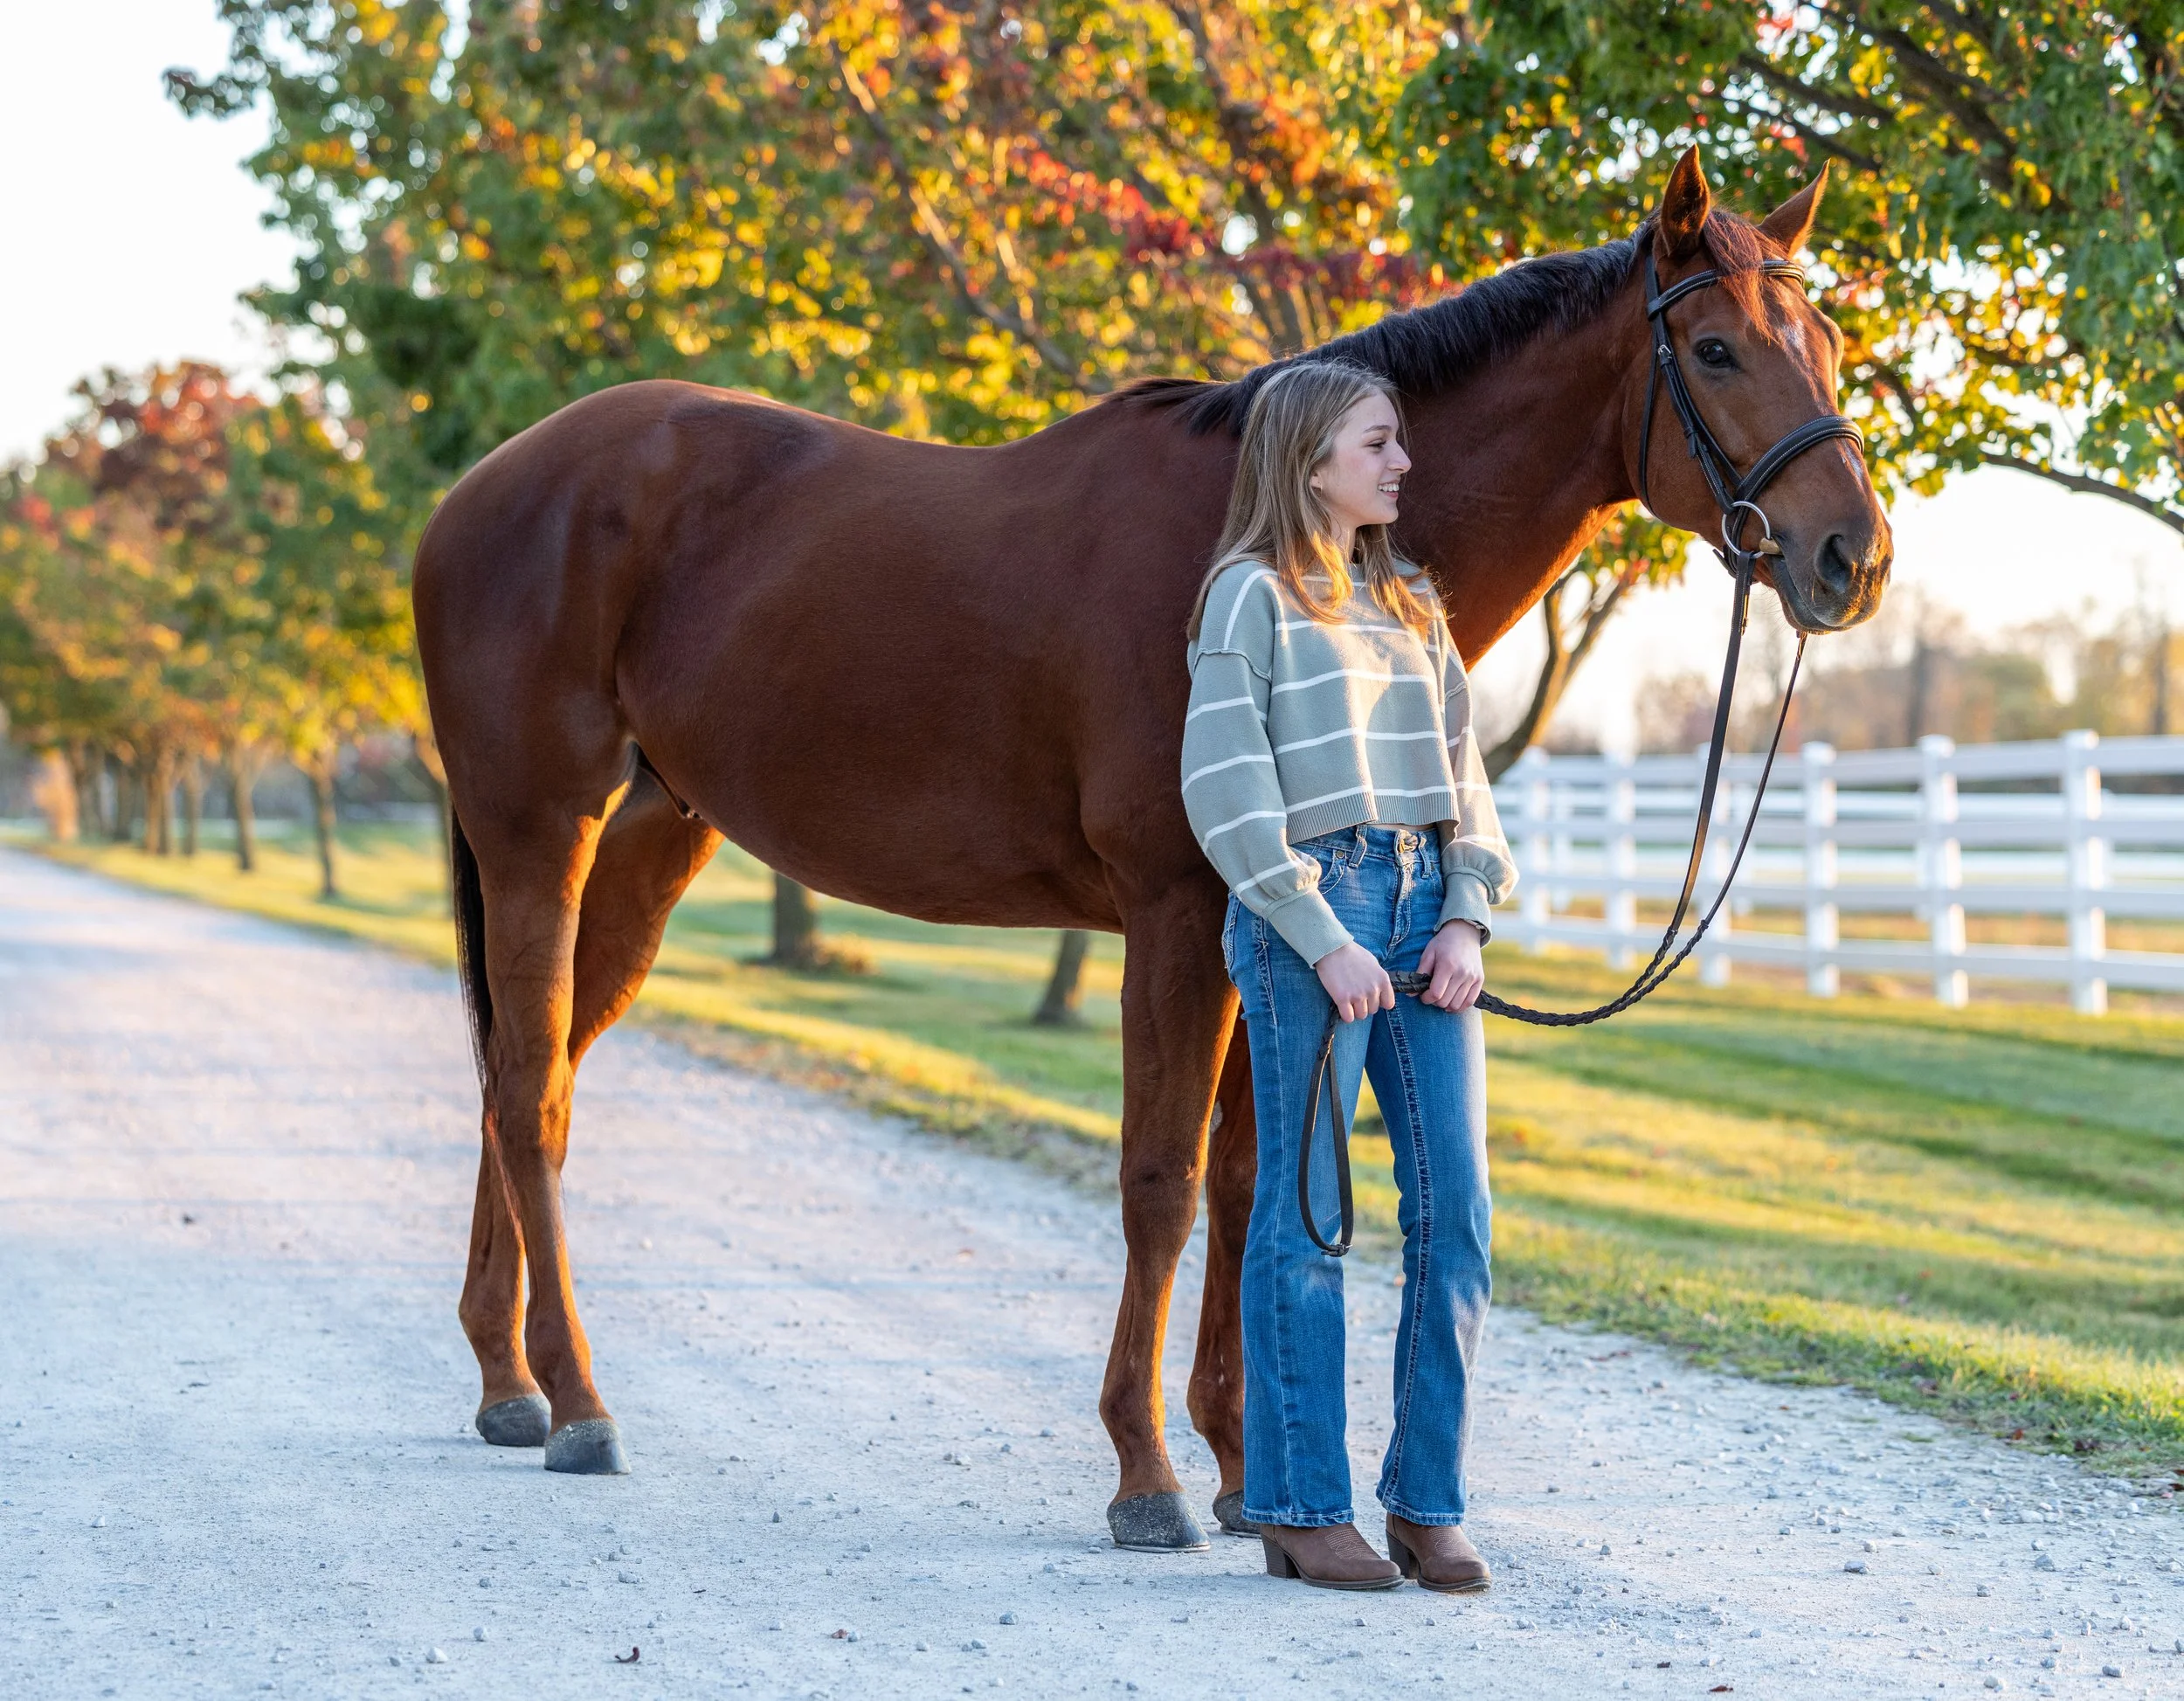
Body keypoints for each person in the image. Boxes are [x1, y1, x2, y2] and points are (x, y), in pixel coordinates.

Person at [1181, 358, 1516, 1593]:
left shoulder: (1417, 603)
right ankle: (1301, 1503)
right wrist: (1321, 932)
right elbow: (1224, 786)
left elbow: (1465, 773)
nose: (1402, 464)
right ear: (1310, 456)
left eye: (1398, 444)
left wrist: (1466, 916)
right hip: (1311, 910)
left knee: (1458, 1217)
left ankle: (1427, 1502)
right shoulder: (1248, 599)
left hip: (1429, 904)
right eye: (1378, 444)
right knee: (1309, 1212)